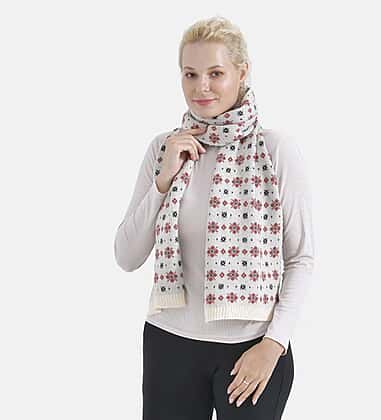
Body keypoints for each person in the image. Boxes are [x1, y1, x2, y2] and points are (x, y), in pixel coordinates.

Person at [114, 15, 315, 420]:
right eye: (190, 74)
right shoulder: (164, 149)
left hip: (252, 349)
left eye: (216, 73)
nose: (201, 86)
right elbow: (127, 256)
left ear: (242, 73)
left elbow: (300, 259)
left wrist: (273, 345)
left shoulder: (275, 150)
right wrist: (163, 179)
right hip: (169, 343)